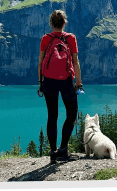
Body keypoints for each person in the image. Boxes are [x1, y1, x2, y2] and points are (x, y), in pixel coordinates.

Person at [38, 10, 83, 164]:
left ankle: (53, 152)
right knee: (71, 114)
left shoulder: (46, 38)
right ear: (64, 23)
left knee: (52, 115)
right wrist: (78, 82)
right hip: (66, 80)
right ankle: (63, 150)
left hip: (48, 81)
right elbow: (75, 61)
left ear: (51, 23)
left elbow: (40, 62)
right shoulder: (70, 38)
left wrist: (40, 83)